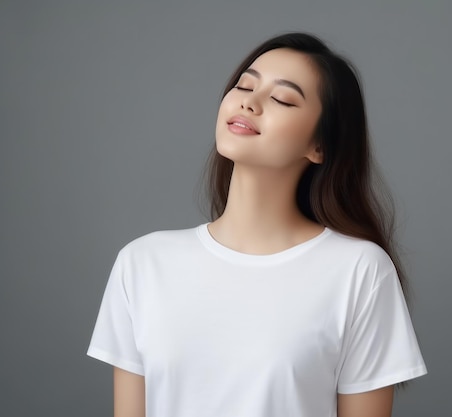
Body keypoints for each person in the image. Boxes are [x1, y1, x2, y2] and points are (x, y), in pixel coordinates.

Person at [88, 32, 427, 417]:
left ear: (319, 146)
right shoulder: (142, 263)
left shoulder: (360, 270)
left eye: (282, 98)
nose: (249, 101)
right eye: (244, 85)